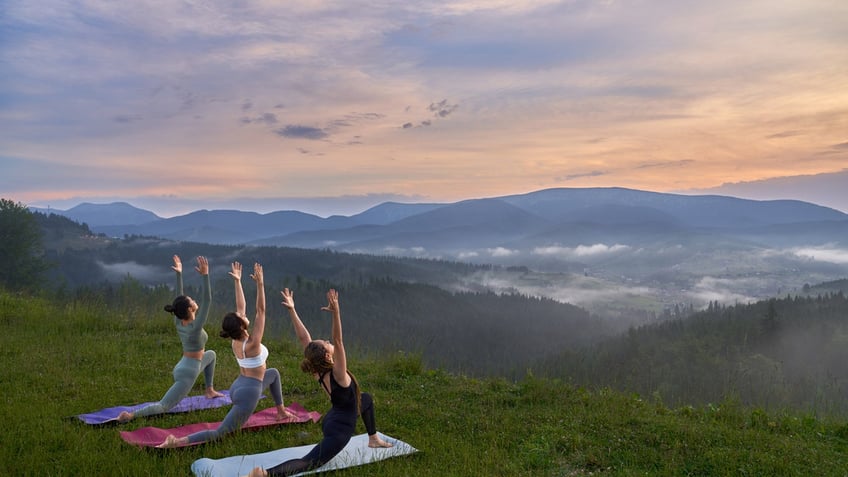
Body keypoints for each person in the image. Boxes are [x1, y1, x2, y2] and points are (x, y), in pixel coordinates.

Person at [246, 288, 391, 477]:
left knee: (366, 399)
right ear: (327, 355)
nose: (328, 340)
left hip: (331, 418)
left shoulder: (318, 370)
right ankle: (265, 474)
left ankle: (373, 439)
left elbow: (304, 339)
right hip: (340, 430)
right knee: (309, 462)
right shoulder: (338, 373)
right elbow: (338, 341)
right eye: (325, 342)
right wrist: (336, 313)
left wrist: (292, 309)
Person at [157, 262, 296, 448]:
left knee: (273, 373)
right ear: (241, 325)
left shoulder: (236, 340)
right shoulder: (253, 343)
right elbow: (261, 311)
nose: (243, 315)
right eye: (242, 317)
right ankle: (177, 441)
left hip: (238, 385)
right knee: (220, 432)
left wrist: (238, 282)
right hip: (249, 392)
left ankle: (281, 411)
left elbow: (241, 306)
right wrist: (260, 284)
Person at [118, 255, 223, 423]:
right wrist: (205, 276)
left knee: (211, 355)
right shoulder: (194, 327)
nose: (195, 301)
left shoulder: (178, 320)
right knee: (164, 406)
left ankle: (209, 390)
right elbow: (208, 300)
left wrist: (179, 274)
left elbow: (179, 299)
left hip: (184, 365)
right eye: (192, 300)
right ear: (190, 309)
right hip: (189, 373)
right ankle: (130, 416)